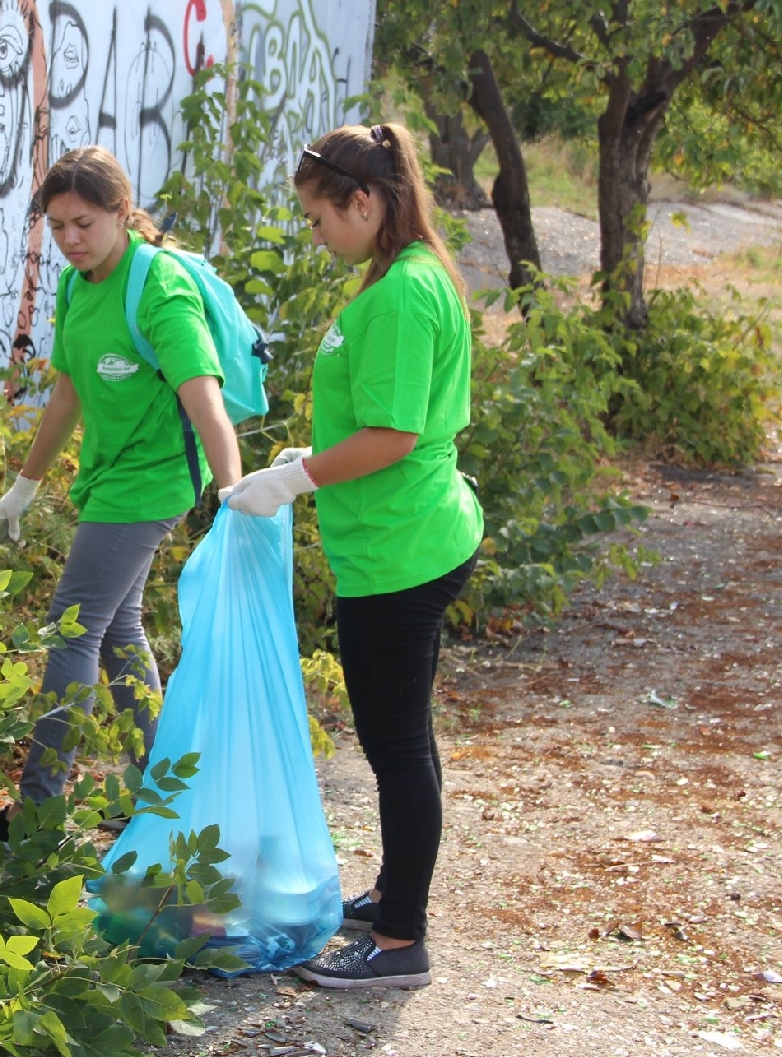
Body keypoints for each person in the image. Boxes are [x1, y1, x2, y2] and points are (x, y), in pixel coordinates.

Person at [222, 122, 484, 989]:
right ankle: (395, 893)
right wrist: (306, 462)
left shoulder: (405, 292)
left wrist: (296, 480)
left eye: (318, 216)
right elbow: (374, 425)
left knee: (397, 745)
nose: (315, 232)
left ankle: (402, 943)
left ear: (364, 201)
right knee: (403, 740)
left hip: (401, 552)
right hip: (398, 538)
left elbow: (393, 434)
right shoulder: (400, 276)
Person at [0, 145, 242, 841]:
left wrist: (235, 498)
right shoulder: (76, 285)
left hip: (152, 483)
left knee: (72, 627)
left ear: (122, 212)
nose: (70, 240)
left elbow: (205, 401)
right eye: (56, 227)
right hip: (110, 475)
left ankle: (38, 811)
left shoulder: (158, 290)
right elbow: (68, 393)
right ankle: (161, 793)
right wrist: (24, 485)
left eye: (83, 223)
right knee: (118, 631)